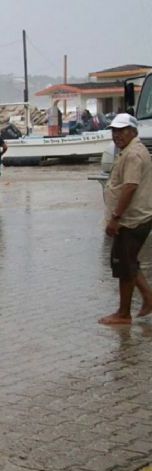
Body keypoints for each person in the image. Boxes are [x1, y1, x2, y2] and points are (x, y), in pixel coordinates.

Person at [99, 113, 152, 325]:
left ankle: (123, 314)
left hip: (131, 219)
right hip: (134, 217)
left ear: (133, 131)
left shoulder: (133, 155)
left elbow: (130, 186)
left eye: (122, 131)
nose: (117, 135)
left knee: (124, 265)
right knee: (128, 262)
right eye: (114, 131)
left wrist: (115, 218)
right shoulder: (129, 151)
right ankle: (148, 299)